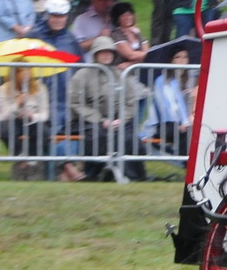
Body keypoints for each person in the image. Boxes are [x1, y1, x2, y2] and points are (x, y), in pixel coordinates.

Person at [72, 36, 148, 181]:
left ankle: (133, 175)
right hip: (89, 121)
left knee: (128, 137)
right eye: (102, 52)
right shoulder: (82, 75)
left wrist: (122, 119)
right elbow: (76, 103)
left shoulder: (121, 75)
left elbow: (130, 101)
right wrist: (100, 120)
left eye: (109, 52)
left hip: (118, 120)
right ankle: (94, 173)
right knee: (97, 136)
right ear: (95, 53)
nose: (106, 55)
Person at [142, 47, 195, 157]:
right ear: (171, 60)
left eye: (185, 57)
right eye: (178, 57)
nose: (182, 60)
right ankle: (186, 162)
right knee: (187, 133)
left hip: (186, 123)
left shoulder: (190, 80)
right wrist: (184, 122)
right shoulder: (161, 81)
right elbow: (166, 107)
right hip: (163, 124)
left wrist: (190, 118)